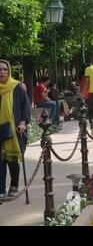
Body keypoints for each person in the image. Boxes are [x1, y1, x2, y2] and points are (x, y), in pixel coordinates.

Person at [0, 60, 31, 199]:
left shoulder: (17, 87)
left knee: (12, 159)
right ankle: (1, 190)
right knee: (0, 160)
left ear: (9, 71)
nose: (2, 72)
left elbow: (26, 106)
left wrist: (23, 122)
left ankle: (14, 185)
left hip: (13, 128)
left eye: (5, 69)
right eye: (0, 70)